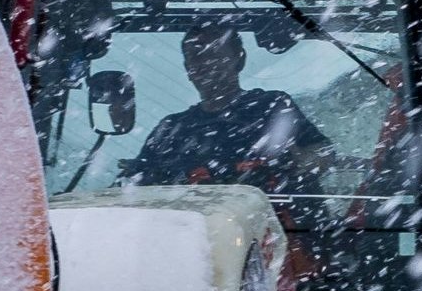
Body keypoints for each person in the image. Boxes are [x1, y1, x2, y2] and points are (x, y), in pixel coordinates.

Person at [128, 19, 325, 190]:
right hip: (190, 229)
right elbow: (133, 190)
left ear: (240, 59)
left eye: (213, 53)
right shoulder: (170, 130)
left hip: (282, 227)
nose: (204, 63)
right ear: (188, 69)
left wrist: (304, 161)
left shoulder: (272, 107)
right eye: (195, 56)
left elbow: (322, 155)